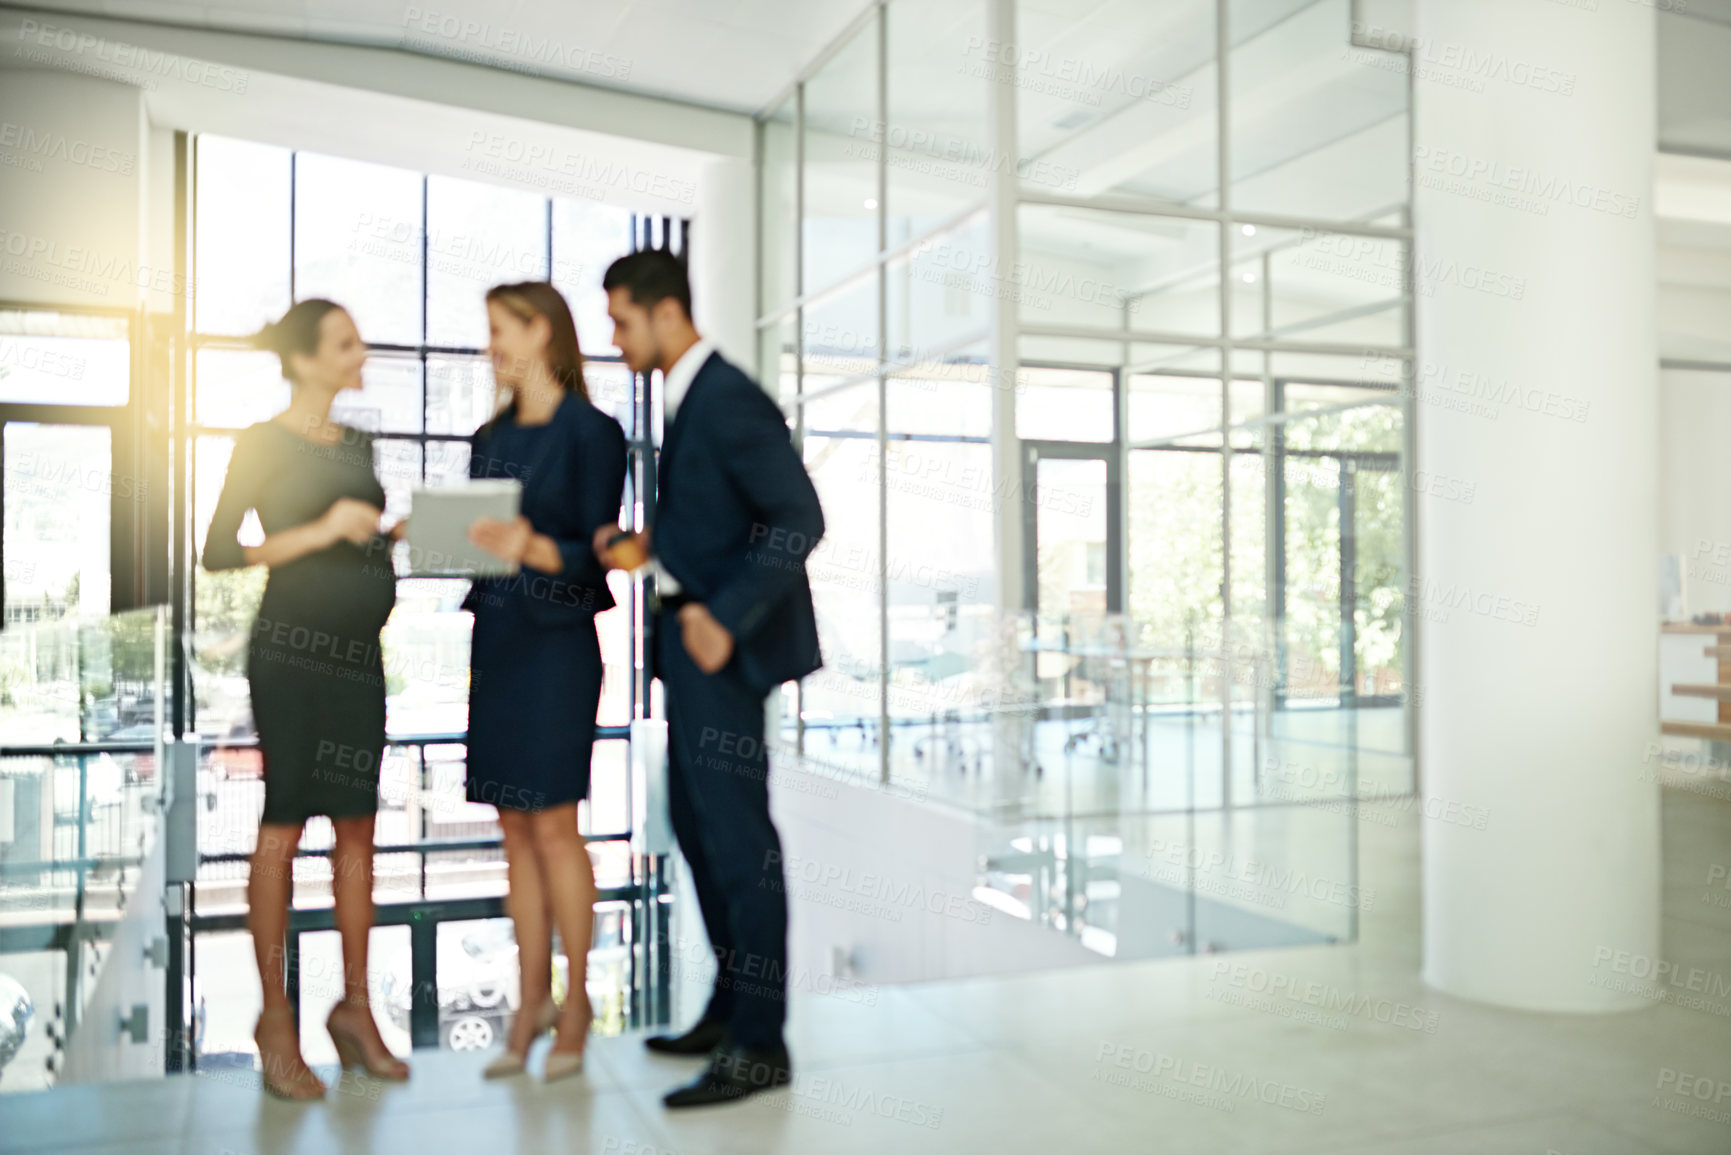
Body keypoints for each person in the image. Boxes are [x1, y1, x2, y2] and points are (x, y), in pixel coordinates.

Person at [595, 250, 825, 1109]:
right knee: (698, 828)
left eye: (621, 321)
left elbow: (798, 517)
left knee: (739, 845)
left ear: (663, 313)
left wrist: (721, 615)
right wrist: (648, 551)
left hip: (723, 654)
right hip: (688, 648)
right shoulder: (691, 399)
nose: (615, 340)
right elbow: (723, 522)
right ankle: (731, 1011)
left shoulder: (726, 397)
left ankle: (760, 1043)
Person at [202, 299, 408, 1100]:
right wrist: (323, 529)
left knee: (358, 826)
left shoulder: (358, 441)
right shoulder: (260, 442)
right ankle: (274, 1019)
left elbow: (359, 530)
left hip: (360, 657)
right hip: (290, 655)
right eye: (347, 342)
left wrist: (390, 536)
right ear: (307, 359)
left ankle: (354, 1010)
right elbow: (220, 551)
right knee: (284, 825)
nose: (361, 352)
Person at [462, 282, 627, 1083]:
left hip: (558, 644)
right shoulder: (487, 435)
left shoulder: (595, 433)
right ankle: (526, 1006)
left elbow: (593, 548)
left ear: (541, 333)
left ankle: (575, 1006)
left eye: (502, 329)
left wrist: (530, 544)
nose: (491, 343)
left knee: (556, 825)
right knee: (512, 832)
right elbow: (480, 541)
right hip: (497, 637)